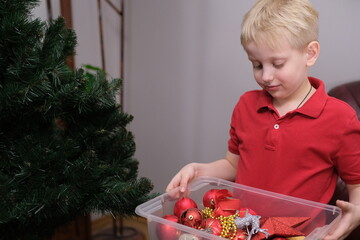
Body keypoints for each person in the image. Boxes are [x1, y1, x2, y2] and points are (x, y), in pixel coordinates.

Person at [166, 0, 360, 239]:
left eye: (277, 64)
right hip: (243, 229)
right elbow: (233, 165)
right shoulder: (246, 105)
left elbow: (357, 184)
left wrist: (356, 213)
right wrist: (199, 169)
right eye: (257, 64)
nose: (266, 76)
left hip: (301, 235)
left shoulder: (339, 118)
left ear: (310, 54)